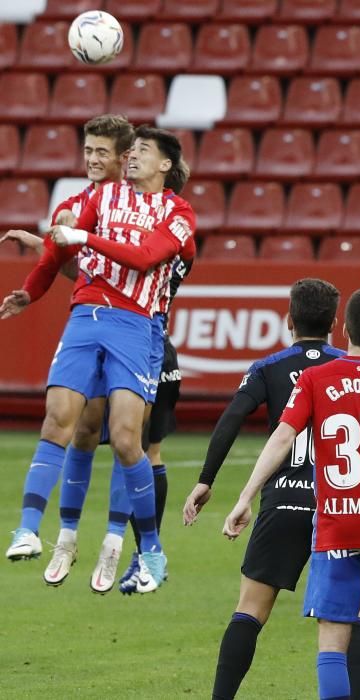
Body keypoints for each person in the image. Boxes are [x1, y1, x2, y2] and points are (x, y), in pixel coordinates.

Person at [3, 125, 196, 593]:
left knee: (130, 440)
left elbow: (147, 257)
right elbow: (61, 247)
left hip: (139, 325)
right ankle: (36, 529)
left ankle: (138, 545)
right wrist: (31, 291)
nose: (131, 158)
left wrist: (83, 237)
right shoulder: (103, 197)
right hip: (86, 316)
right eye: (128, 152)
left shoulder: (178, 213)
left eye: (142, 152)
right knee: (63, 422)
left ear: (165, 164)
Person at [223, 287, 360, 700]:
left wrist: (246, 496)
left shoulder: (315, 379)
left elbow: (282, 437)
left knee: (332, 637)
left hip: (337, 528)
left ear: (344, 329)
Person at [183, 278, 360, 700]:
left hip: (284, 496)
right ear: (335, 323)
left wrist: (206, 480)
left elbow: (231, 417)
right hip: (340, 506)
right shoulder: (352, 369)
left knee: (251, 608)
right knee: (351, 614)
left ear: (289, 320)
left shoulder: (268, 368)